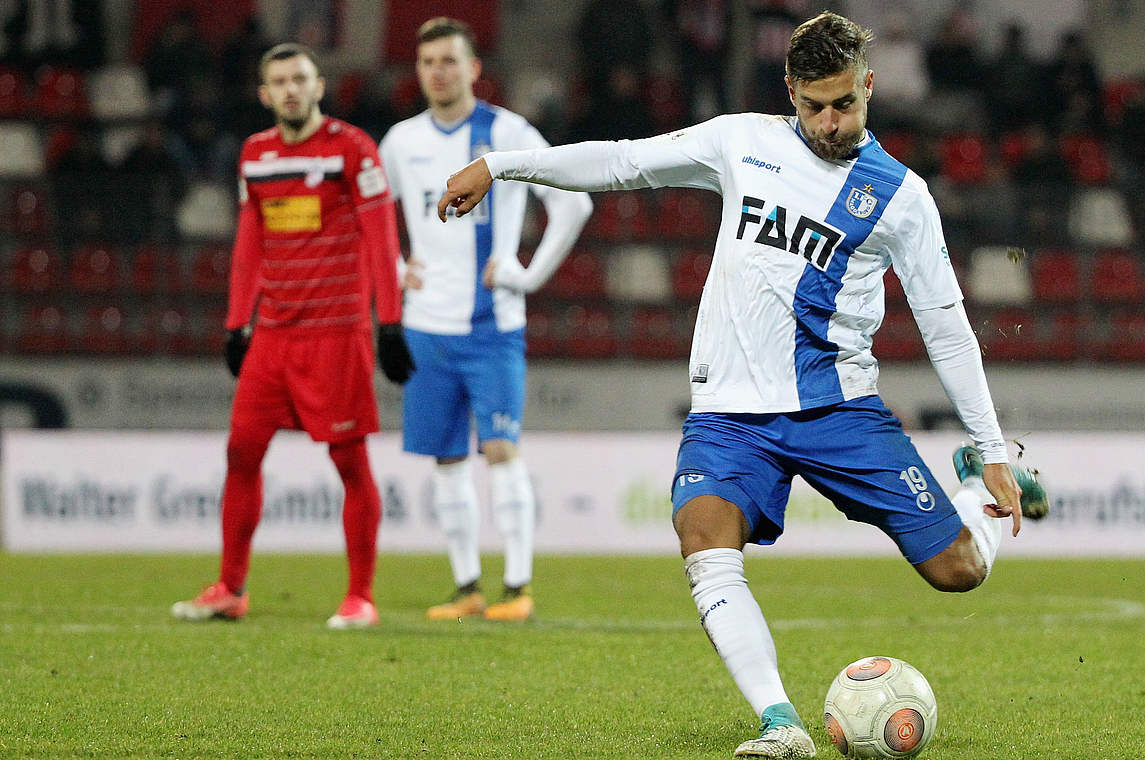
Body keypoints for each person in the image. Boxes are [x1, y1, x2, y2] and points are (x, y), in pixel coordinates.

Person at [437, 12, 1047, 757]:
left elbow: (944, 324)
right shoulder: (741, 141)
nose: (829, 122)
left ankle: (978, 489)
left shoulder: (901, 197)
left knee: (959, 571)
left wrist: (986, 445)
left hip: (836, 406)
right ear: (789, 90)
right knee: (702, 537)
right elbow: (624, 162)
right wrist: (501, 167)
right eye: (814, 105)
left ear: (870, 87)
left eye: (845, 104)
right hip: (728, 411)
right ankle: (780, 722)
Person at [172, 43, 413, 630]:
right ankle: (230, 587)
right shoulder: (255, 155)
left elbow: (383, 237)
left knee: (349, 461)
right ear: (264, 93)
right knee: (241, 452)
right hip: (275, 336)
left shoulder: (354, 150)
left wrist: (389, 321)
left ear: (319, 86)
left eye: (300, 79)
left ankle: (361, 596)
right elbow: (250, 239)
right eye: (278, 81)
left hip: (337, 332)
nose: (290, 90)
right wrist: (237, 323)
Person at [378, 18, 592, 623]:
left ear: (474, 68)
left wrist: (528, 274)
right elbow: (364, 213)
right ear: (417, 72)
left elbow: (573, 200)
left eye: (450, 60)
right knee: (446, 460)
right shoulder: (400, 142)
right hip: (424, 325)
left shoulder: (507, 132)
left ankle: (517, 588)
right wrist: (393, 268)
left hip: (490, 322)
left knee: (500, 448)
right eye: (428, 62)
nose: (438, 71)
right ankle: (467, 586)